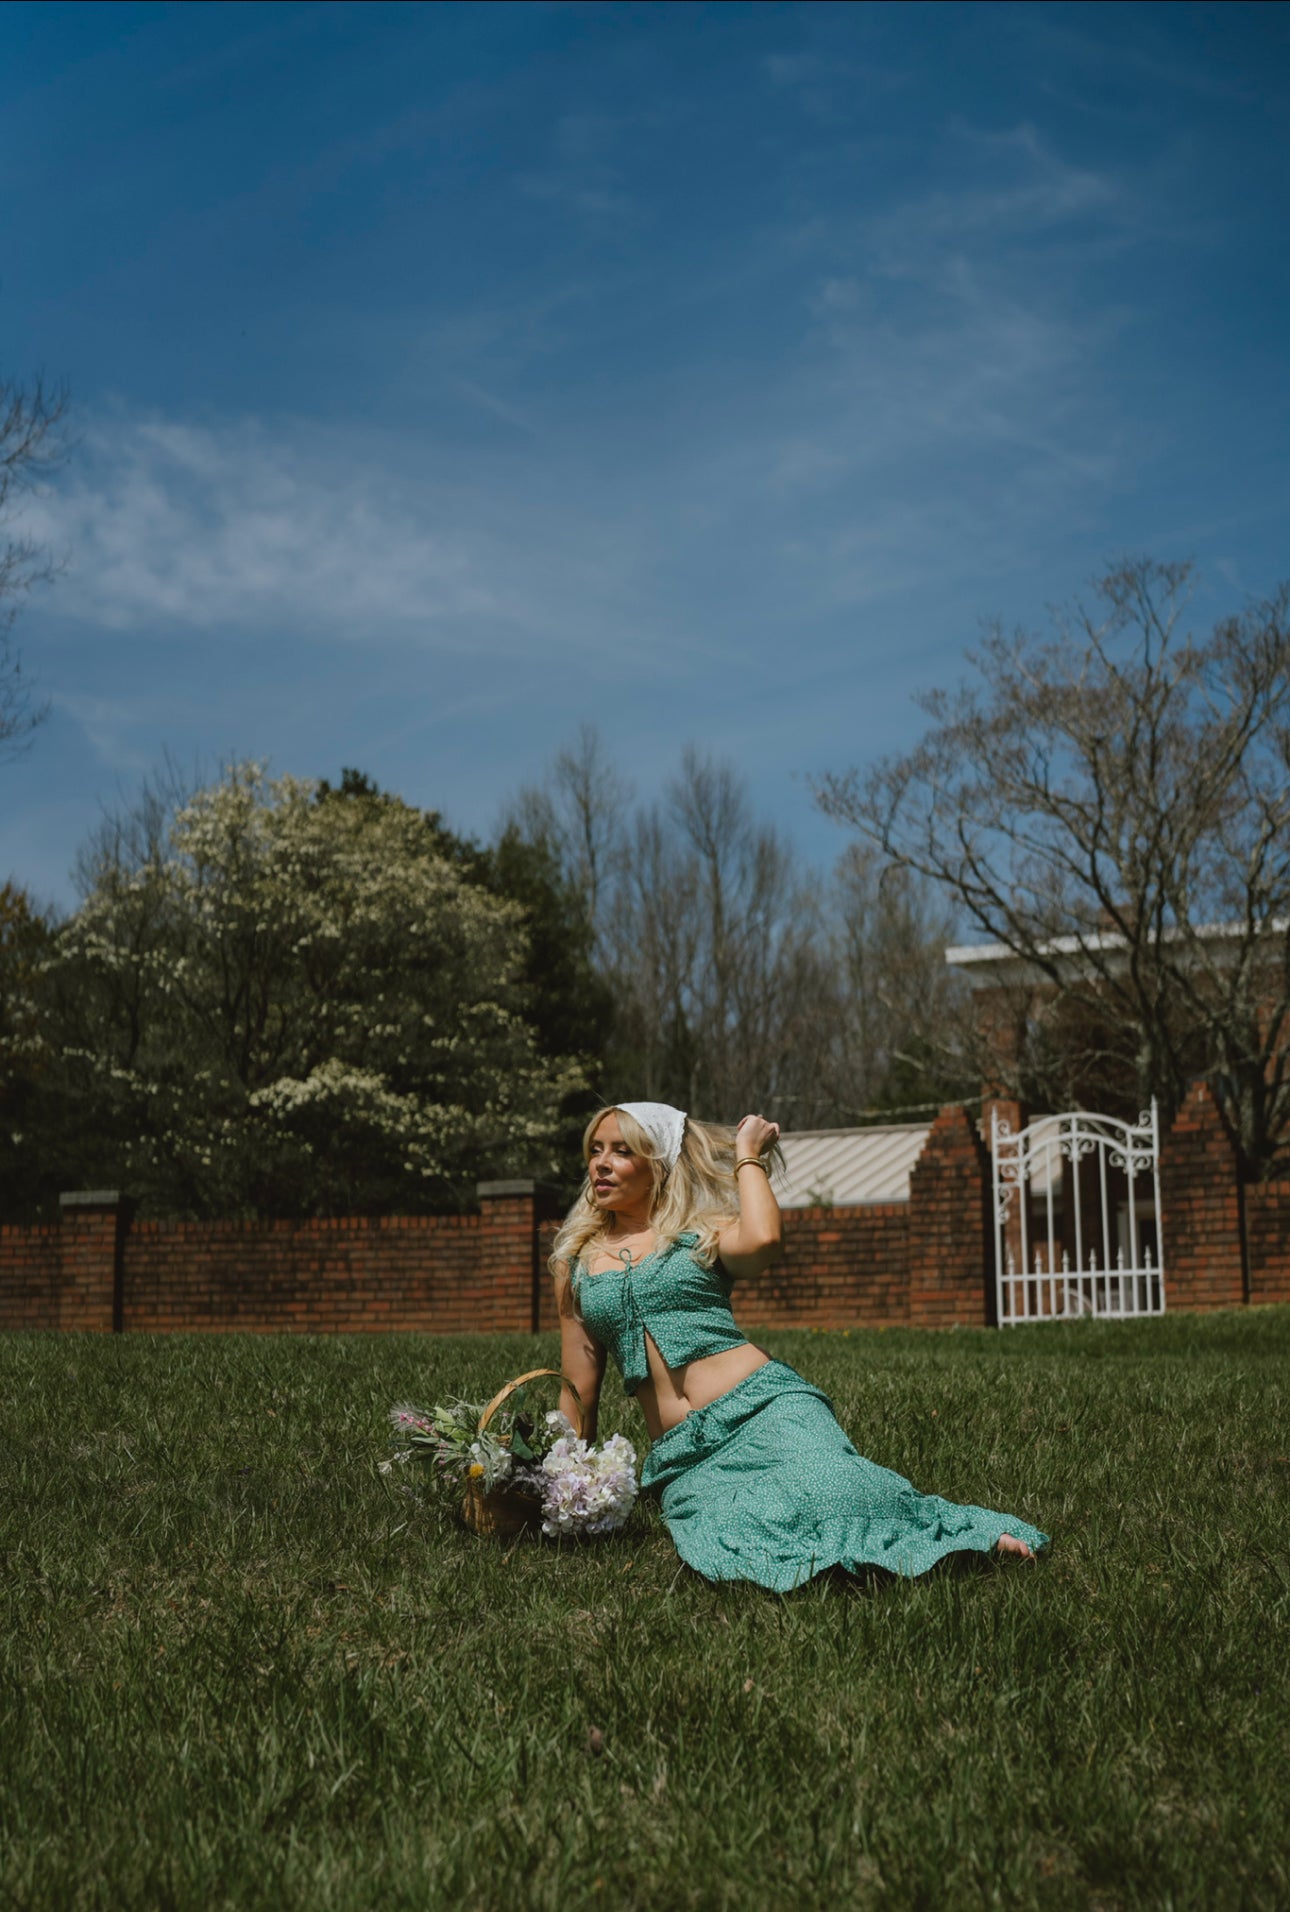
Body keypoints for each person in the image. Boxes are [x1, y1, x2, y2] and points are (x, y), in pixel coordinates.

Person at [552, 1100, 1047, 1592]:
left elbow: (764, 1240)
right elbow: (579, 1387)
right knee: (730, 1526)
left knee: (834, 1488)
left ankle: (962, 1533)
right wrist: (567, 1486)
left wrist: (748, 1155)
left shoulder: (697, 1234)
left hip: (765, 1409)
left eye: (621, 1151)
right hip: (685, 1454)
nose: (602, 1163)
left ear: (659, 1163)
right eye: (596, 1150)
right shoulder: (576, 1262)